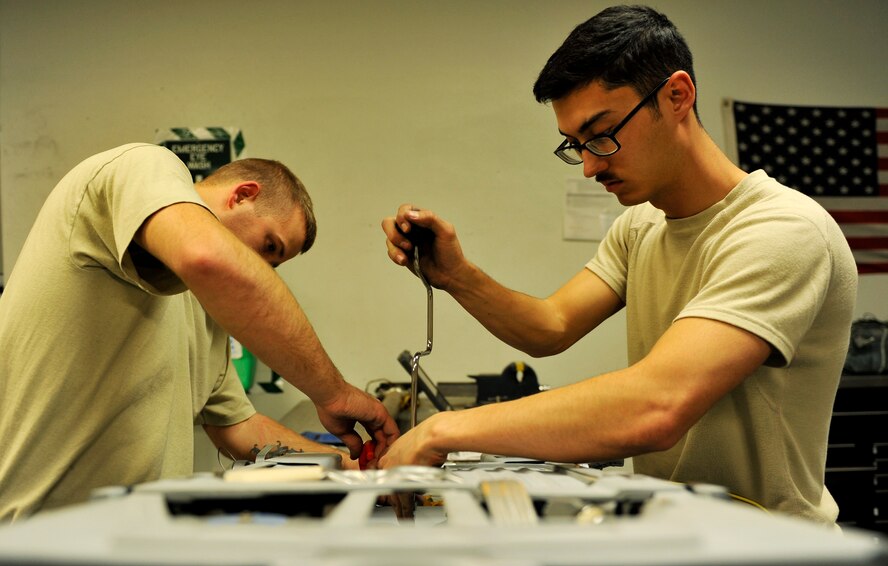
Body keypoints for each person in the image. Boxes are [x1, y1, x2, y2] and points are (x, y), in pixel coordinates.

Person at [380, 5, 857, 525]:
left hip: (770, 545)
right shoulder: (642, 226)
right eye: (575, 145)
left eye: (601, 133)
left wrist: (443, 429)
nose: (589, 166)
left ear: (677, 96)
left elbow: (658, 405)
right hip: (670, 534)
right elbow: (550, 326)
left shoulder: (781, 232)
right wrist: (455, 276)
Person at [0, 143, 399, 521]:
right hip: (35, 535)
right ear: (242, 195)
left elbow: (238, 427)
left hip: (133, 540)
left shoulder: (202, 313)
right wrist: (335, 393)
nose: (260, 268)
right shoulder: (140, 165)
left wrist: (353, 471)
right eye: (268, 246)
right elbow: (209, 258)